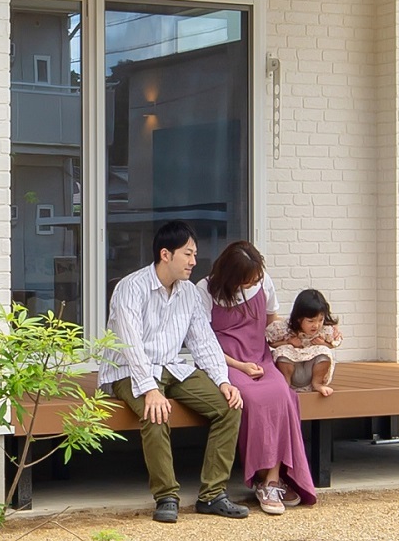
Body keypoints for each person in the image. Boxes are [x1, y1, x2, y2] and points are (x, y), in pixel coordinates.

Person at [100, 220, 249, 522]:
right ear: (165, 254)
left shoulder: (190, 294)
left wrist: (223, 380)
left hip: (172, 366)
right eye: (188, 254)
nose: (195, 261)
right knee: (155, 412)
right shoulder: (131, 288)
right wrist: (150, 390)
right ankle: (167, 495)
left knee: (228, 407)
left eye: (195, 255)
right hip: (129, 370)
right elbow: (130, 346)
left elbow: (203, 341)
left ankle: (212, 495)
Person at [203, 241, 318, 515]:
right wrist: (240, 366)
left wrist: (295, 338)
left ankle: (273, 480)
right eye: (247, 280)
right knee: (252, 399)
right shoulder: (204, 290)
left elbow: (271, 322)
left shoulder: (264, 282)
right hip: (225, 361)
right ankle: (260, 477)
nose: (253, 282)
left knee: (282, 393)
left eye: (255, 277)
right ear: (232, 277)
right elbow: (203, 342)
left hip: (260, 357)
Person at [269, 289, 342, 397]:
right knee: (281, 352)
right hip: (293, 370)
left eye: (320, 320)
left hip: (311, 371)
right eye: (311, 321)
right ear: (299, 319)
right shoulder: (285, 329)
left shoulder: (325, 330)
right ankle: (285, 385)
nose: (316, 325)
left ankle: (317, 383)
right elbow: (271, 343)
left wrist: (323, 344)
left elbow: (335, 343)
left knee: (324, 352)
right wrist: (288, 342)